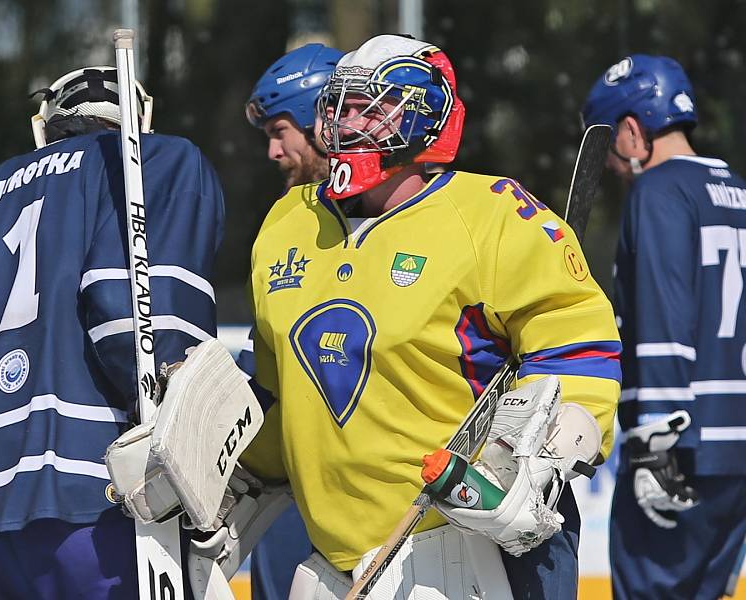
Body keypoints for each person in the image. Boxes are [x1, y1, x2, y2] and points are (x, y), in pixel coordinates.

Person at [241, 34, 622, 599]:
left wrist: (540, 458)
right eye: (340, 106)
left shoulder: (491, 215)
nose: (349, 122)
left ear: (426, 117)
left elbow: (578, 343)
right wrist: (228, 477)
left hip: (461, 545)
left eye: (370, 106)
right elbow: (279, 395)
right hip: (334, 559)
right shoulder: (286, 224)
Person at [0, 66, 225, 599]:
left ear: (45, 126)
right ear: (138, 119)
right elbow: (142, 326)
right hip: (91, 498)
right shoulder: (154, 161)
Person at [583, 55, 746, 599]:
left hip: (681, 447)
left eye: (605, 145)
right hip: (737, 446)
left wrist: (654, 440)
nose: (608, 163)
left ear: (632, 131)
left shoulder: (658, 192)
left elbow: (662, 315)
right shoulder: (739, 193)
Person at [242, 42, 343, 600]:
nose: (274, 152)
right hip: (288, 490)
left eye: (282, 131)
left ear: (322, 121)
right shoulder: (282, 225)